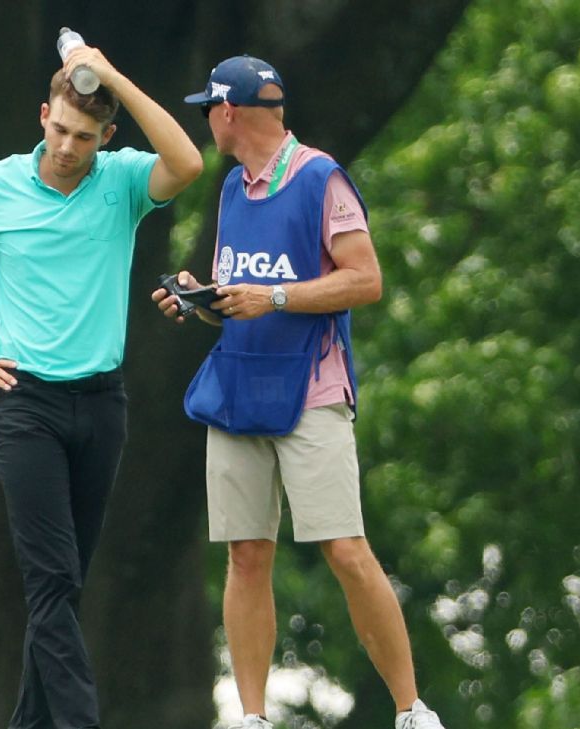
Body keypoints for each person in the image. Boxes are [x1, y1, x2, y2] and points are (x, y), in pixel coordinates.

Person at [0, 46, 203, 729]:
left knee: (64, 588)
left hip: (103, 405)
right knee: (49, 583)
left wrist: (114, 76)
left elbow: (188, 163)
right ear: (44, 116)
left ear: (107, 136)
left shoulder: (123, 182)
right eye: (59, 129)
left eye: (84, 135)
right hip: (24, 406)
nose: (67, 147)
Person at [154, 56, 448, 729]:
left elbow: (364, 279)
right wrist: (197, 299)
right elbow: (241, 297)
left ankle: (411, 710)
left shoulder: (321, 178)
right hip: (237, 386)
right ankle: (253, 717)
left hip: (311, 386)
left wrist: (276, 295)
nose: (206, 120)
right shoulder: (231, 189)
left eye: (209, 108)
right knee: (246, 552)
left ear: (227, 112)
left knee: (345, 547)